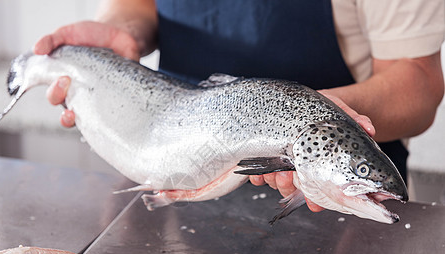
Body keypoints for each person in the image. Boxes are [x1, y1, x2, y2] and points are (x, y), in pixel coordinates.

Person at [34, 0, 444, 213]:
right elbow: (138, 6)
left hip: (338, 205)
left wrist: (322, 116)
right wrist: (120, 34)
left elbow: (418, 78)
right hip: (178, 144)